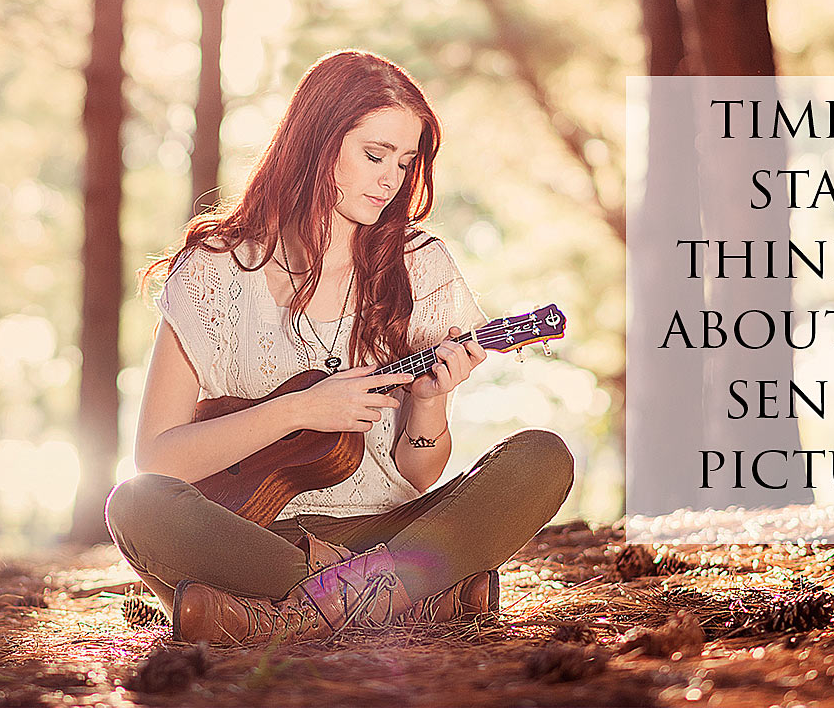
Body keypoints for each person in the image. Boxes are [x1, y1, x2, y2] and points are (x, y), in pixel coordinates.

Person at [104, 49, 574, 646]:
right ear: (316, 142)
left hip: (384, 531)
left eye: (405, 163)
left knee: (542, 457)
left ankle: (282, 615)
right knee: (136, 503)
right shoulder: (213, 275)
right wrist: (298, 411)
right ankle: (411, 597)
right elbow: (159, 457)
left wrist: (429, 404)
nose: (391, 179)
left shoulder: (421, 269)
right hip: (252, 538)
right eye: (374, 155)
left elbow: (417, 474)